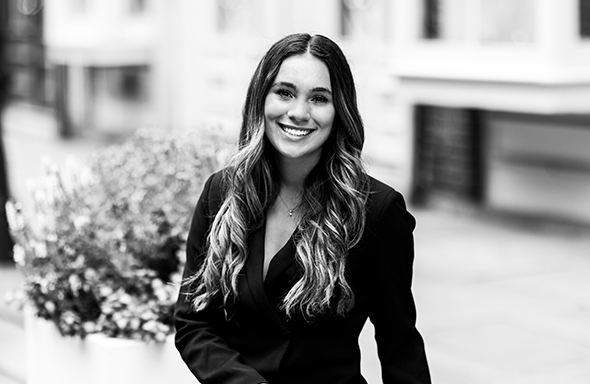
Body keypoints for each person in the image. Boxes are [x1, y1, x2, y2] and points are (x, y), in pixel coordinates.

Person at [175, 33, 431, 384]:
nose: (298, 112)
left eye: (319, 98)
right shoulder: (222, 192)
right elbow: (194, 322)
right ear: (260, 99)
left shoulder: (377, 211)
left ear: (338, 110)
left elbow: (399, 346)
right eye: (285, 92)